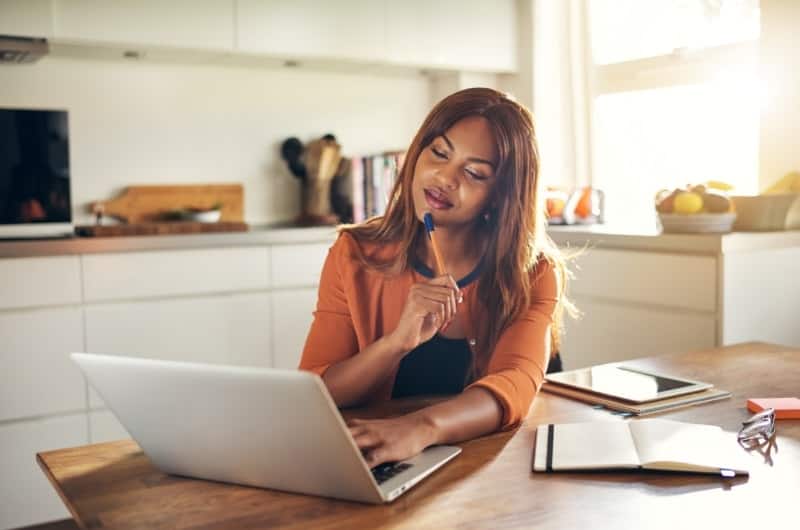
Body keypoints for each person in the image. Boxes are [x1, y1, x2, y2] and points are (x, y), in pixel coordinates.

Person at [299, 87, 571, 468]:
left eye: (475, 173)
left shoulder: (534, 272)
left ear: (502, 195)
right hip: (381, 460)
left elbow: (516, 383)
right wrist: (396, 342)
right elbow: (316, 390)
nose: (444, 177)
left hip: (491, 467)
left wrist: (421, 428)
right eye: (439, 153)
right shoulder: (354, 253)